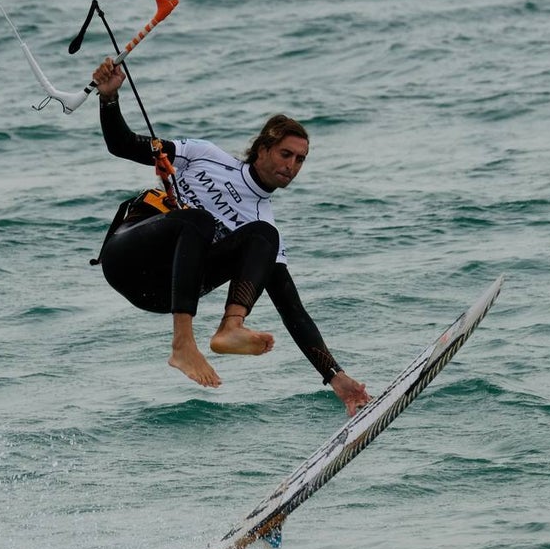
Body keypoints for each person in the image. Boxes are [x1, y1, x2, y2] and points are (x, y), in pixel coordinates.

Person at [91, 57, 371, 416]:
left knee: (264, 235)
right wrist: (109, 98)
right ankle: (182, 343)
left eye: (301, 160)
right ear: (263, 148)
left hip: (164, 292)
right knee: (199, 221)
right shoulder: (205, 156)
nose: (292, 166)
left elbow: (293, 311)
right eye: (286, 154)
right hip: (127, 255)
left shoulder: (261, 223)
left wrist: (336, 377)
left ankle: (231, 327)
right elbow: (123, 144)